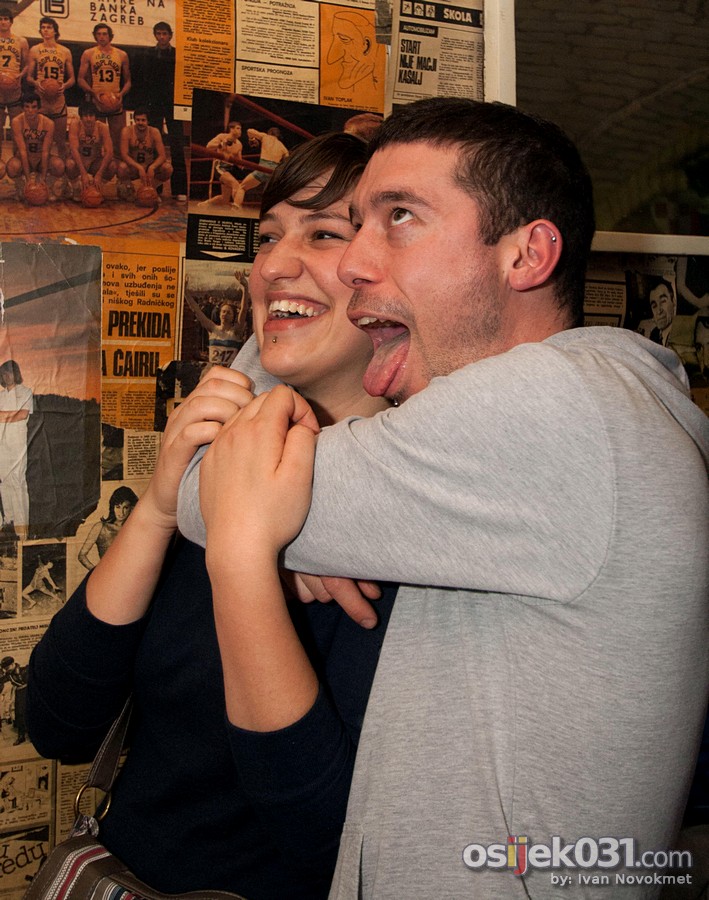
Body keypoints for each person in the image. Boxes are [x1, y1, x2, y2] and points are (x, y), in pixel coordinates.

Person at [178, 98, 709, 897]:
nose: (353, 263)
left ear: (527, 255)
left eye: (399, 217)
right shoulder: (573, 410)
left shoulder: (551, 404)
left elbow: (204, 493)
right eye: (356, 225)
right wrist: (280, 529)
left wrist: (265, 514)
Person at [27, 132, 395, 899]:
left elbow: (327, 843)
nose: (272, 265)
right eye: (267, 238)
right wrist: (165, 503)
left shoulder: (411, 532)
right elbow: (58, 722)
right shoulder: (220, 475)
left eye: (324, 233)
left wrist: (255, 555)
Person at [138, 21, 187, 201]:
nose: (161, 37)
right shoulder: (149, 54)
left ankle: (180, 190)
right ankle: (155, 189)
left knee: (177, 145)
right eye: (158, 33)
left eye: (164, 33)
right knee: (154, 146)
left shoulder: (178, 54)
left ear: (170, 35)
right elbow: (144, 82)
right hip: (155, 104)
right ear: (155, 35)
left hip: (173, 104)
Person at [77, 23, 131, 157]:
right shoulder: (89, 53)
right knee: (96, 141)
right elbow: (80, 79)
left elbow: (128, 81)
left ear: (110, 36)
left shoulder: (121, 54)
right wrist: (93, 93)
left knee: (117, 140)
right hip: (97, 102)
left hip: (115, 101)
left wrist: (121, 94)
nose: (101, 37)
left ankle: (117, 166)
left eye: (104, 34)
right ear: (95, 36)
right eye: (99, 34)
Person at [26, 17, 75, 160]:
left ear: (55, 31)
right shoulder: (35, 50)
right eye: (43, 27)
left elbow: (72, 79)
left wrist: (64, 85)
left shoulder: (65, 51)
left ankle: (63, 172)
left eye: (49, 27)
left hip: (58, 100)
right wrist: (36, 83)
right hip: (41, 99)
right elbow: (29, 77)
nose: (45, 30)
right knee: (38, 141)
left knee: (61, 142)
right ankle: (40, 170)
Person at [184, 270, 250, 369]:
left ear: (233, 316)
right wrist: (185, 292)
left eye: (228, 312)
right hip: (213, 371)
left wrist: (245, 287)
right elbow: (196, 310)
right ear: (219, 314)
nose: (225, 314)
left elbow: (243, 310)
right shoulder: (212, 328)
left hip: (229, 371)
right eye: (223, 311)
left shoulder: (236, 332)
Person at [6, 92, 63, 201]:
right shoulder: (17, 121)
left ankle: (47, 187)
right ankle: (21, 187)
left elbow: (46, 152)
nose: (30, 110)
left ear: (39, 108)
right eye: (27, 107)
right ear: (22, 108)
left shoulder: (48, 123)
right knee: (12, 167)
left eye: (34, 107)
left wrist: (43, 178)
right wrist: (28, 179)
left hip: (41, 158)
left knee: (59, 165)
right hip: (25, 157)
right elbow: (22, 151)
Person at [0, 359, 33, 534]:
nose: (7, 376)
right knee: (4, 481)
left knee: (18, 482)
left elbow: (22, 415)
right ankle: (9, 520)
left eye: (10, 372)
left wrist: (3, 416)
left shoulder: (25, 392)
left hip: (17, 444)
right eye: (4, 373)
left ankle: (21, 527)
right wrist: (9, 416)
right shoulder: (0, 395)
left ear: (16, 374)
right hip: (1, 443)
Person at [116, 107, 172, 200]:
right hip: (134, 167)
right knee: (122, 167)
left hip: (149, 166)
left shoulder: (154, 132)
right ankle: (129, 187)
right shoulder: (127, 131)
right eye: (138, 120)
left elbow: (162, 156)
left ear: (148, 121)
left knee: (167, 168)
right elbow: (124, 154)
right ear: (134, 120)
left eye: (143, 120)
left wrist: (152, 167)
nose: (140, 122)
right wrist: (139, 167)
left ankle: (150, 188)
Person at [78, 485, 138, 571]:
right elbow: (82, 556)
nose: (121, 512)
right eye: (118, 507)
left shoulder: (134, 528)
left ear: (131, 508)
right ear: (112, 507)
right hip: (108, 575)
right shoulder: (100, 527)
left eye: (126, 507)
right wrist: (97, 572)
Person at [66, 101, 116, 198]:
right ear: (81, 117)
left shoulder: (102, 127)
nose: (88, 119)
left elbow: (109, 152)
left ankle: (98, 186)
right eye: (85, 116)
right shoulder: (75, 125)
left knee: (112, 166)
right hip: (79, 161)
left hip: (95, 161)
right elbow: (74, 150)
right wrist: (83, 173)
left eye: (91, 115)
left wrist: (99, 174)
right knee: (69, 164)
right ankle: (76, 187)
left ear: (95, 117)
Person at [232, 126, 289, 207]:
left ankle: (235, 208)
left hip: (263, 168)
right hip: (274, 172)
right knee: (274, 195)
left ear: (270, 133)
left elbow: (249, 130)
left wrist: (252, 139)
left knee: (242, 187)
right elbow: (287, 162)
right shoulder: (283, 147)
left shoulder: (265, 137)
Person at [201, 120, 244, 206]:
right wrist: (221, 144)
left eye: (240, 129)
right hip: (220, 166)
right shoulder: (222, 136)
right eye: (238, 128)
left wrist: (245, 166)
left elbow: (239, 161)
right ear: (231, 129)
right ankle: (236, 210)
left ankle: (204, 204)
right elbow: (208, 146)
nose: (240, 131)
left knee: (225, 199)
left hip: (230, 169)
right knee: (236, 185)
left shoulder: (239, 144)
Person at [0, 8, 28, 128]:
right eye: (0, 19)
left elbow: (27, 65)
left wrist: (21, 75)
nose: (3, 22)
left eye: (6, 19)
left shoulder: (21, 41)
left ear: (11, 22)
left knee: (17, 125)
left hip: (14, 86)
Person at [637, 276, 676, 346]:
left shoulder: (681, 332)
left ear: (673, 301)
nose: (659, 311)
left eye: (663, 301)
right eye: (654, 306)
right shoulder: (654, 334)